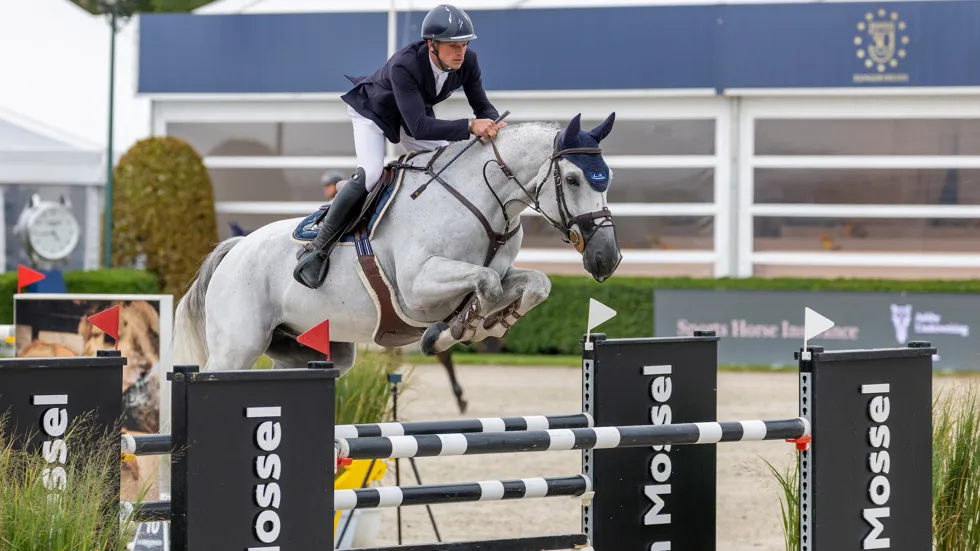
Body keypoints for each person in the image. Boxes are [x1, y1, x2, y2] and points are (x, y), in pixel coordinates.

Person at [293, 4, 506, 289]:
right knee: (371, 174)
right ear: (432, 44)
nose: (460, 52)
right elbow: (419, 127)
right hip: (373, 114)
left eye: (464, 45)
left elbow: (481, 105)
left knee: (451, 162)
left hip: (410, 118)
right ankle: (317, 249)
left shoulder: (468, 62)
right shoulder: (405, 63)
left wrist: (493, 123)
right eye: (453, 46)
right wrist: (469, 126)